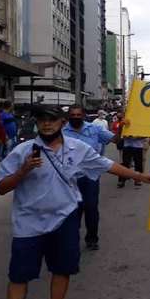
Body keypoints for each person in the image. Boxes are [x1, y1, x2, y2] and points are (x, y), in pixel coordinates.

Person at [0, 106, 150, 299]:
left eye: (52, 120)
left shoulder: (77, 149)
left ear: (61, 122)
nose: (46, 125)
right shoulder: (22, 151)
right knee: (19, 276)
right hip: (28, 224)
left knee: (62, 270)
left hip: (65, 219)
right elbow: (1, 188)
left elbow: (107, 164)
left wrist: (141, 176)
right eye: (42, 120)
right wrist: (24, 170)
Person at [62, 104, 122, 250]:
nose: (76, 117)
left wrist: (121, 128)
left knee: (91, 208)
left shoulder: (95, 129)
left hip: (90, 177)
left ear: (84, 115)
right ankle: (71, 239)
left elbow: (115, 140)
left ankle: (92, 239)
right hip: (69, 178)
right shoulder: (61, 131)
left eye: (78, 115)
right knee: (72, 210)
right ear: (68, 116)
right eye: (73, 115)